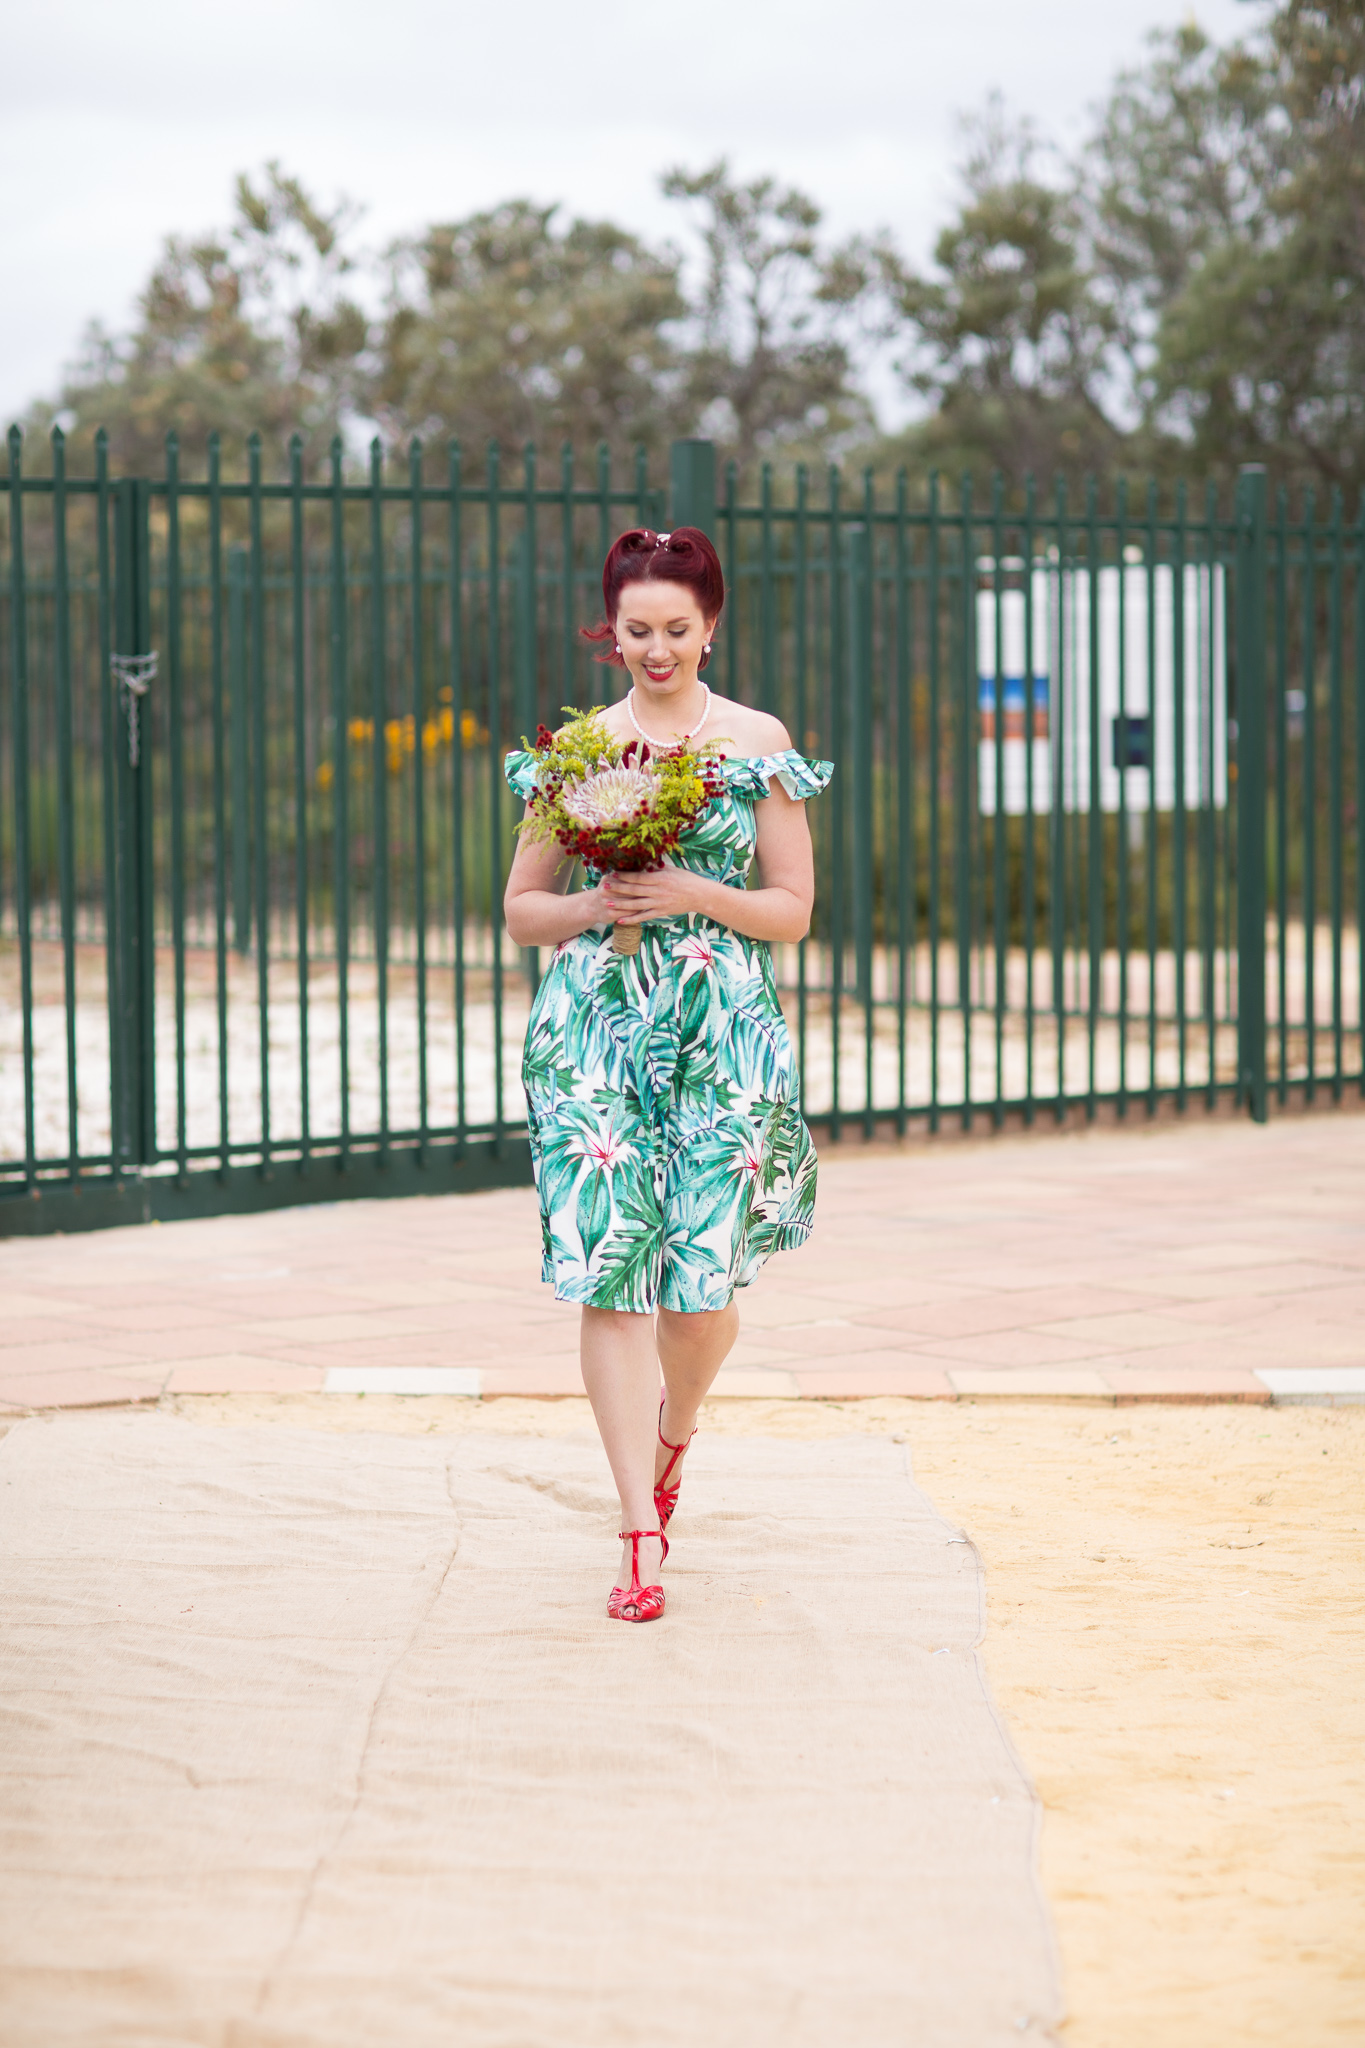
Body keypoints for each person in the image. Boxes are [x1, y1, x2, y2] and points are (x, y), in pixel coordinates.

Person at [503, 527, 832, 1623]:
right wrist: (598, 903)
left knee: (700, 1297)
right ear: (613, 629)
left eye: (676, 631)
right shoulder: (582, 746)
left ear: (711, 626)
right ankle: (637, 1525)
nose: (656, 650)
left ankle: (674, 1434)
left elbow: (791, 908)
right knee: (610, 1274)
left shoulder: (756, 741)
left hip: (721, 1034)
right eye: (636, 631)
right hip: (593, 1027)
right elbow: (521, 909)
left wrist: (692, 890)